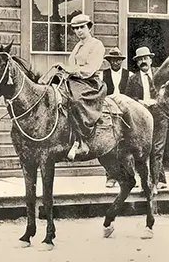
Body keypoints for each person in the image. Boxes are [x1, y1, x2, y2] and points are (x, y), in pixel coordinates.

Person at [53, 14, 106, 161]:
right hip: (75, 80)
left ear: (89, 27)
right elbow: (72, 65)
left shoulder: (97, 45)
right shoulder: (77, 46)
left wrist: (70, 70)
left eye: (82, 27)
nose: (79, 31)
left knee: (75, 100)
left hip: (90, 83)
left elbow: (89, 69)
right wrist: (63, 70)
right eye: (75, 28)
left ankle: (82, 142)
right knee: (55, 94)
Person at [125, 46, 168, 190]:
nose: (143, 62)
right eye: (140, 60)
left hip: (159, 116)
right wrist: (140, 102)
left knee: (157, 150)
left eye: (145, 58)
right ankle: (147, 180)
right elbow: (128, 98)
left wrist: (159, 100)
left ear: (150, 59)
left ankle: (154, 184)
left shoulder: (160, 74)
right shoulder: (133, 79)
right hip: (141, 118)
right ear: (137, 63)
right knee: (142, 150)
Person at [102, 47, 133, 188]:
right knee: (109, 145)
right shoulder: (103, 75)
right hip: (109, 111)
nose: (116, 62)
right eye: (113, 60)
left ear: (121, 61)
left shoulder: (130, 75)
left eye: (118, 60)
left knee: (127, 144)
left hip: (125, 111)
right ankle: (111, 177)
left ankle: (130, 177)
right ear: (109, 61)